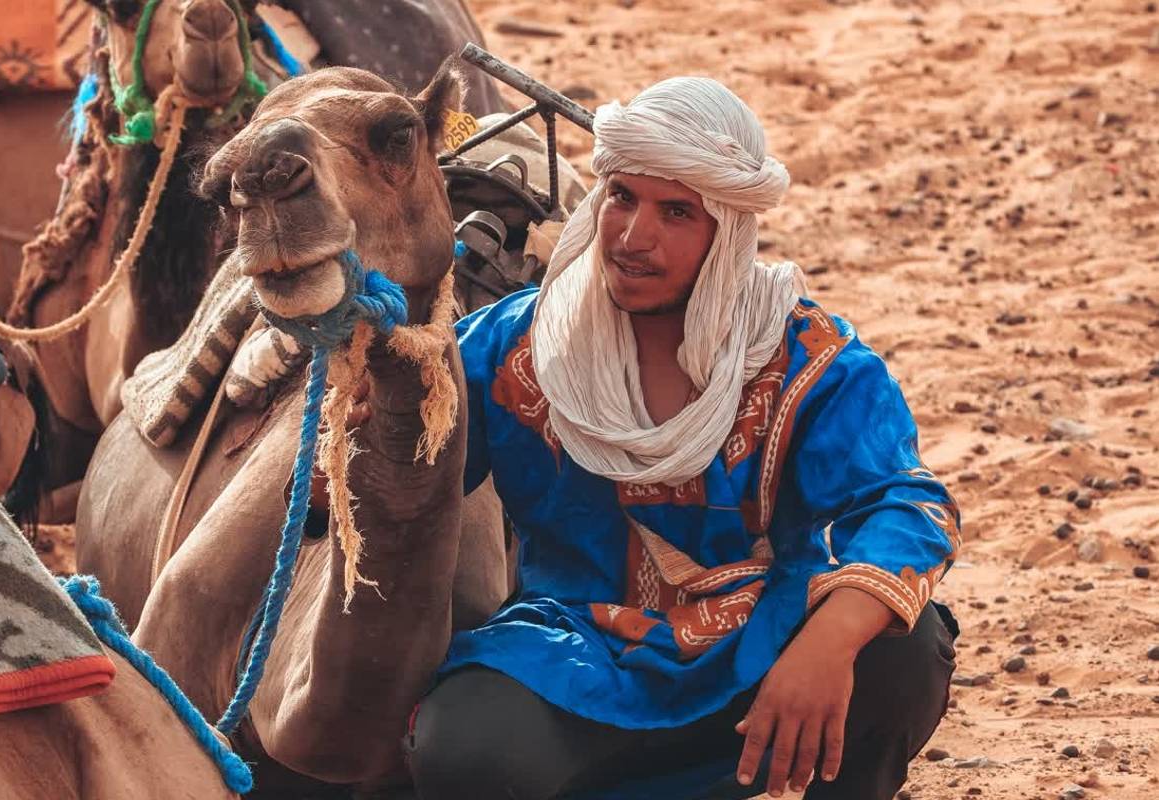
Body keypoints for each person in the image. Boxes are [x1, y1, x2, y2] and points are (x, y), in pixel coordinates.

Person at [405, 77, 961, 800]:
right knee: (462, 748)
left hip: (765, 640)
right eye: (622, 198)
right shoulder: (517, 346)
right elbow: (403, 474)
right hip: (578, 653)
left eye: (676, 212)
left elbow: (906, 507)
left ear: (727, 232)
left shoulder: (802, 356)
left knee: (902, 654)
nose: (635, 237)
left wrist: (824, 646)